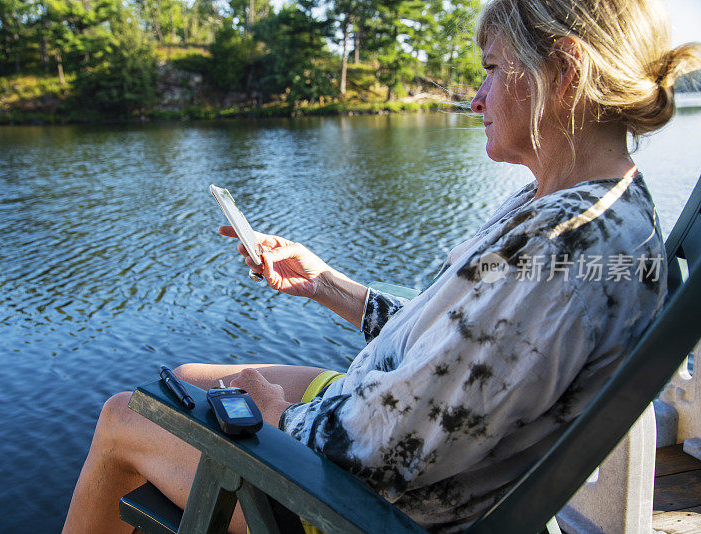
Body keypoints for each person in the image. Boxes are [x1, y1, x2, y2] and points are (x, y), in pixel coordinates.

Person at [63, 0, 701, 532]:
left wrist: (276, 416)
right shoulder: (579, 204)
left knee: (129, 416)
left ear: (563, 72)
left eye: (493, 70)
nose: (476, 100)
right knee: (185, 378)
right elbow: (462, 349)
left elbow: (381, 459)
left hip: (373, 506)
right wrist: (325, 284)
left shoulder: (565, 251)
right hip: (401, 439)